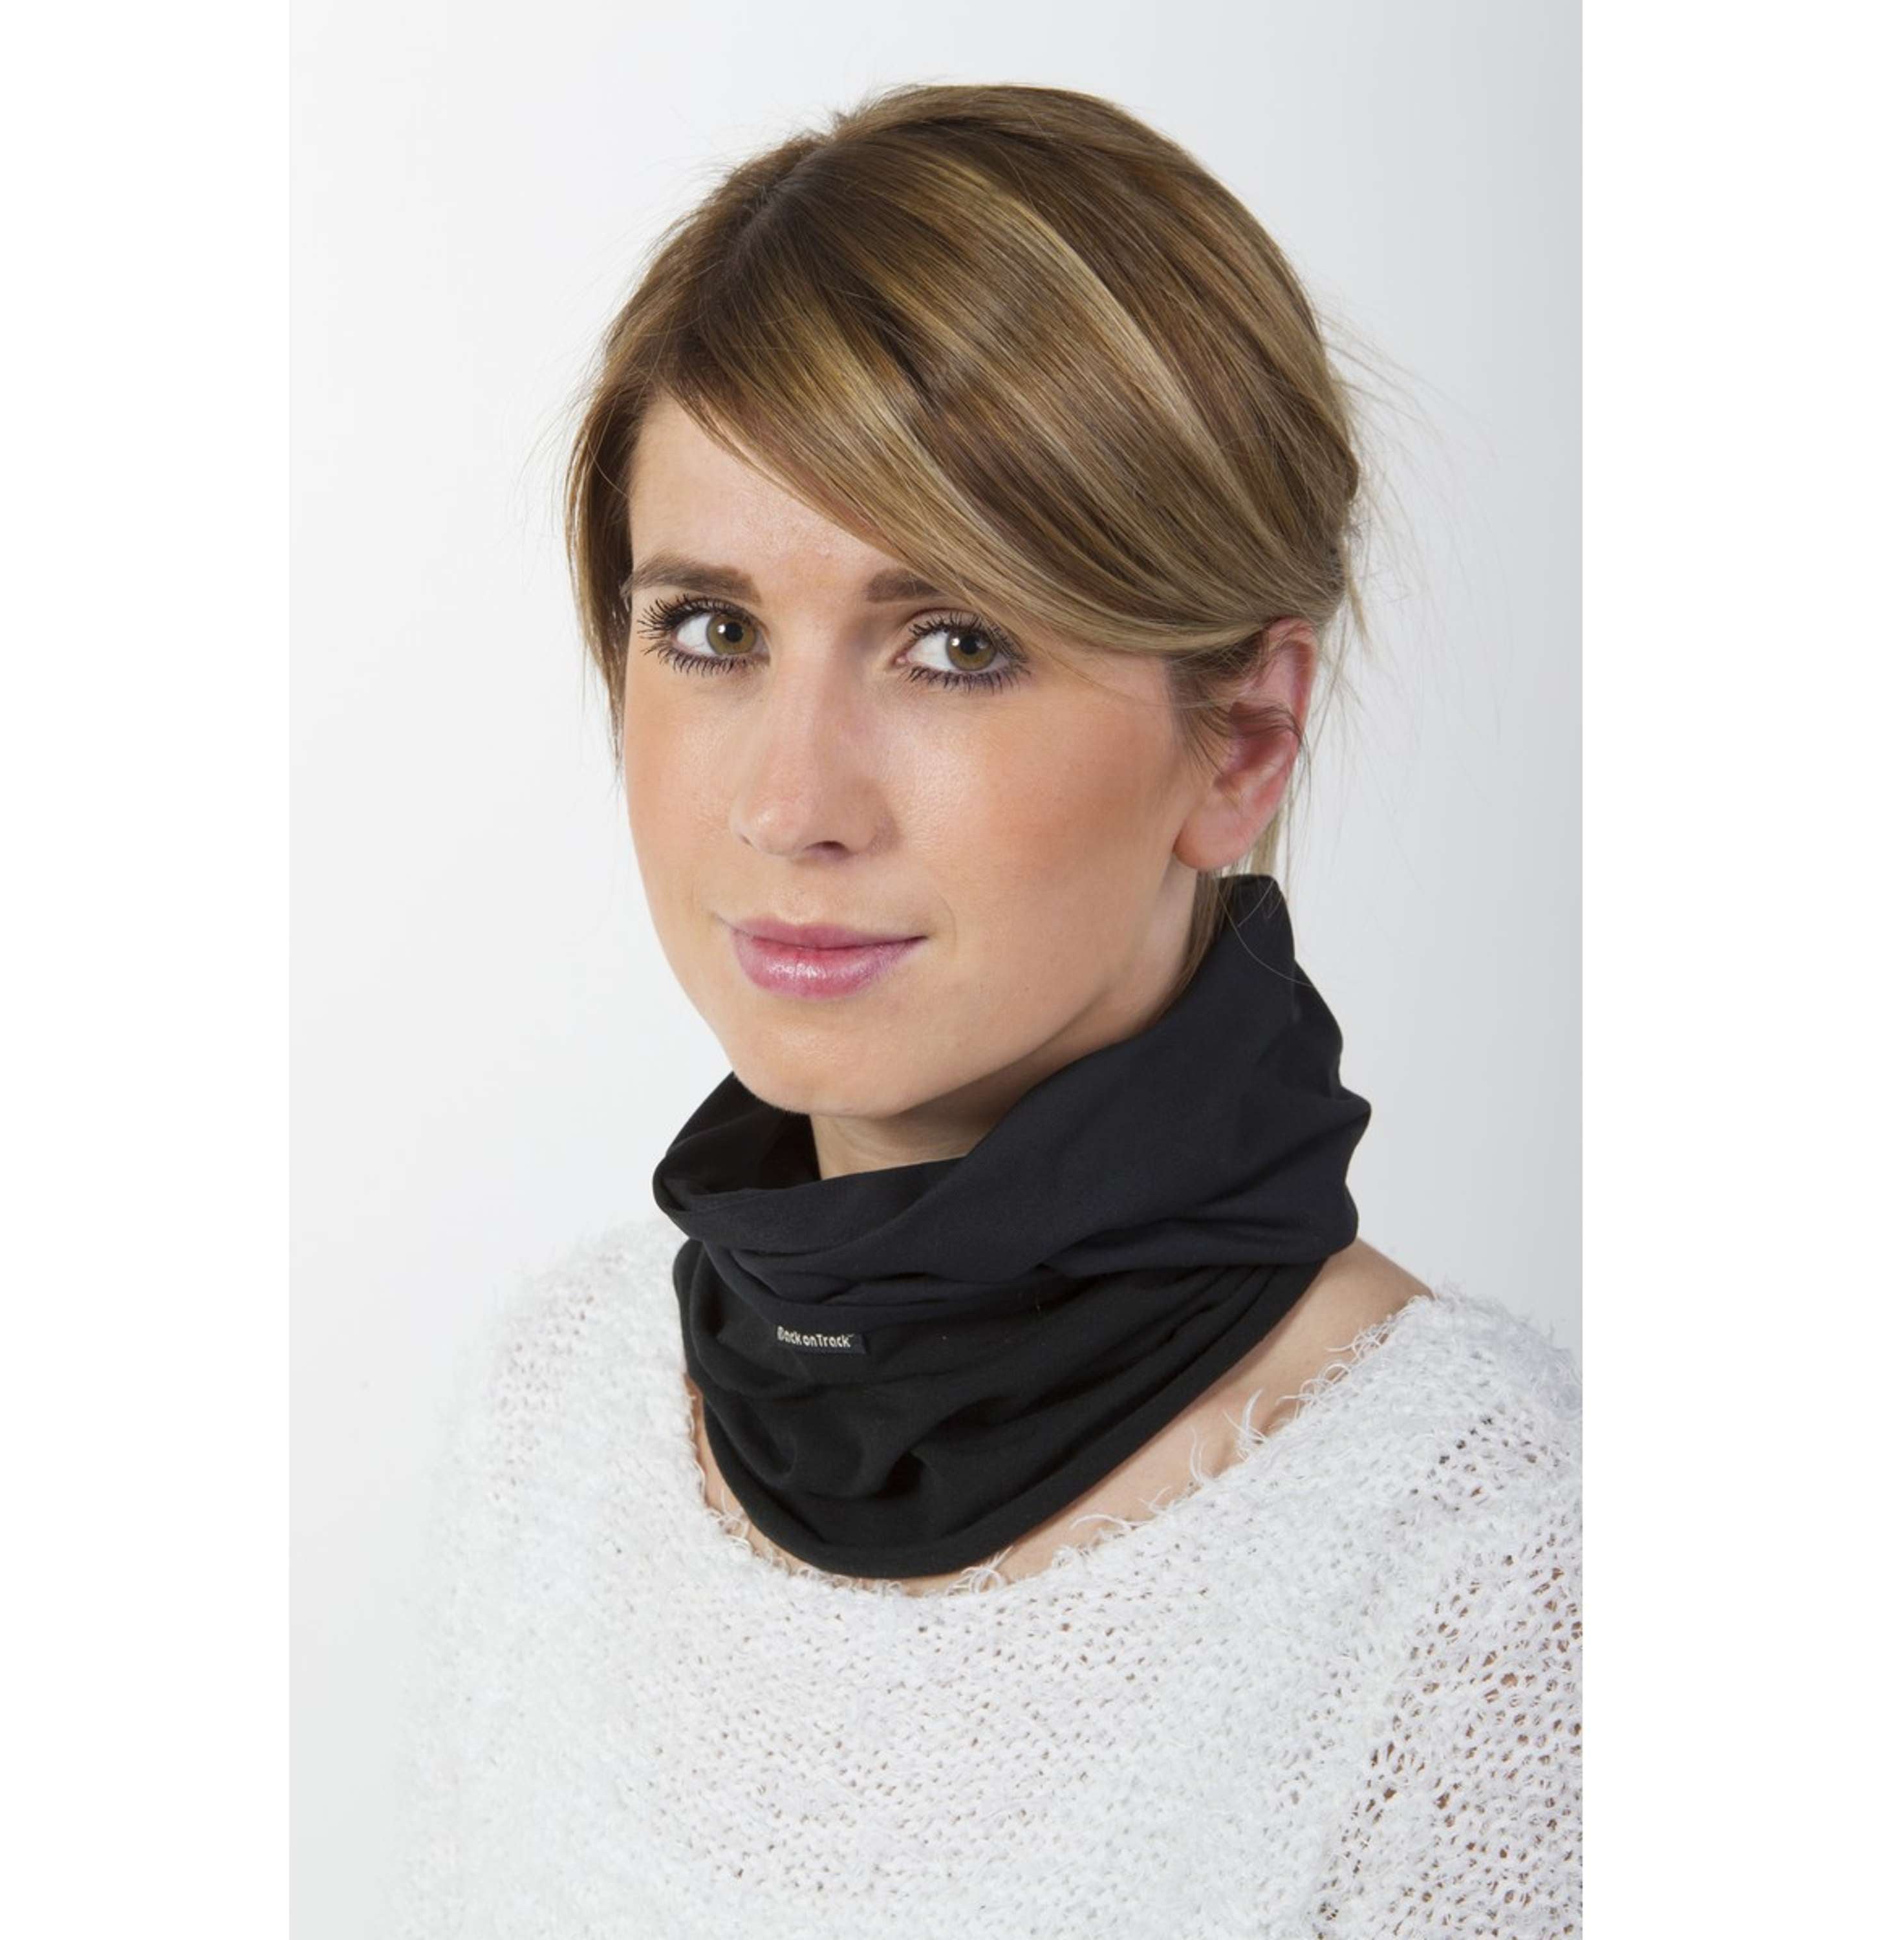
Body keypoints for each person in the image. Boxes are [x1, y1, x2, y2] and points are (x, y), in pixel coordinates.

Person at [382, 81, 1581, 1938]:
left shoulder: (1497, 1587)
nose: (792, 803)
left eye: (955, 644)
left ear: (1243, 741)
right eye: (712, 630)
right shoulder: (553, 1422)